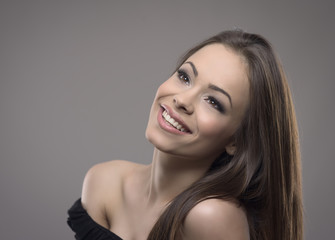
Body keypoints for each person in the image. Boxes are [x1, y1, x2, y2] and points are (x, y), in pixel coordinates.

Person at [67, 29, 303, 240]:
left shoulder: (210, 216)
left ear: (236, 141)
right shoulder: (103, 181)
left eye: (213, 101)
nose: (182, 100)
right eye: (185, 77)